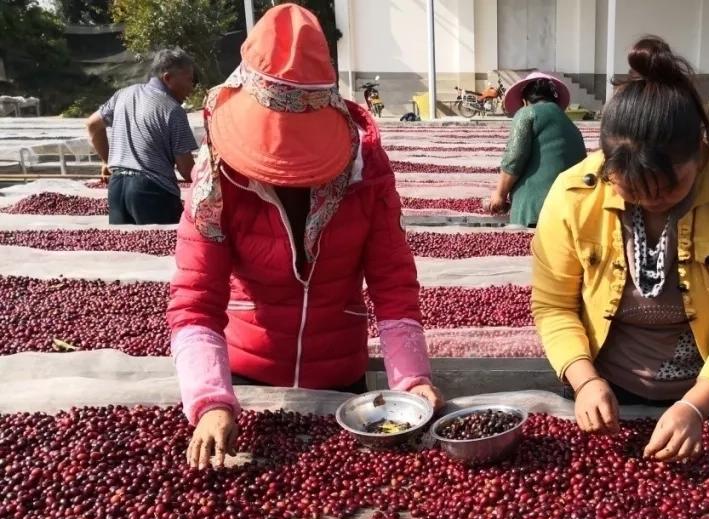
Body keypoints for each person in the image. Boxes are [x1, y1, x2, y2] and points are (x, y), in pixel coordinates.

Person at [167, 4, 442, 469]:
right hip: (245, 384)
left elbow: (393, 287)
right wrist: (211, 401)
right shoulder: (216, 180)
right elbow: (195, 301)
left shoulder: (365, 173)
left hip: (341, 384)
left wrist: (412, 381)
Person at [531, 36, 709, 463]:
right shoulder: (573, 194)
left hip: (706, 392)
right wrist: (585, 381)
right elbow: (554, 306)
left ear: (701, 150)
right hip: (604, 387)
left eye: (668, 188)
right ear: (608, 166)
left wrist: (695, 406)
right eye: (632, 191)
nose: (651, 202)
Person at [87, 48, 199, 225]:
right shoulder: (172, 109)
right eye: (189, 80)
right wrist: (213, 186)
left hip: (117, 189)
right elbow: (186, 170)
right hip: (152, 192)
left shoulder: (122, 94)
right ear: (168, 78)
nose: (191, 88)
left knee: (126, 249)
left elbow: (93, 125)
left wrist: (107, 160)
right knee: (163, 248)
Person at [484, 72, 587, 228]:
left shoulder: (527, 113)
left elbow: (514, 158)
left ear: (525, 101)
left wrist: (499, 195)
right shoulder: (568, 123)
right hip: (571, 209)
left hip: (536, 210)